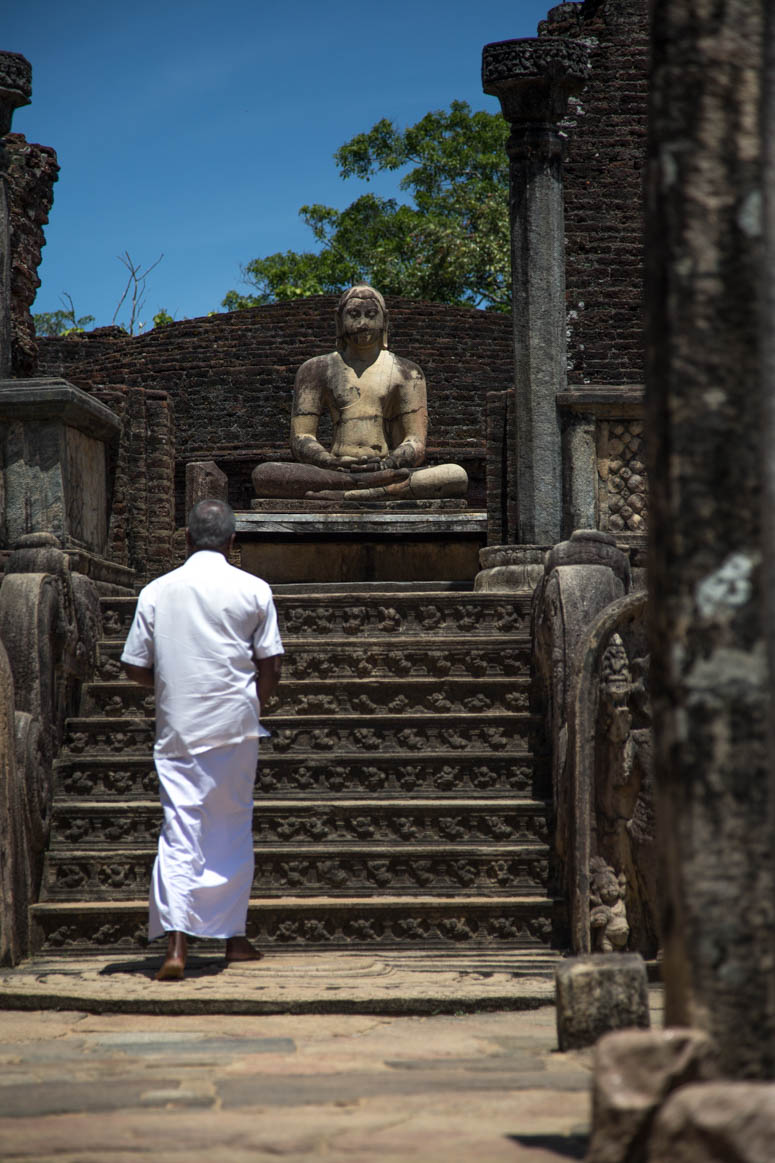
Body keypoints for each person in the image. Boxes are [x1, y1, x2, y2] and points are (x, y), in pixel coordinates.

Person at [121, 499, 283, 981]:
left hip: (179, 725)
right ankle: (233, 939)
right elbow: (270, 666)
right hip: (235, 724)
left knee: (180, 828)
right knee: (231, 824)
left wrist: (175, 683)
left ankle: (176, 944)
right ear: (234, 542)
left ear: (186, 540)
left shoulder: (157, 590)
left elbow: (133, 664)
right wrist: (251, 701)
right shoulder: (254, 588)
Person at [251, 284, 468, 502]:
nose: (362, 323)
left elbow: (415, 442)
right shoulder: (315, 369)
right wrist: (329, 461)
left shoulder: (407, 372)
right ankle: (365, 489)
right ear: (338, 320)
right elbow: (301, 437)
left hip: (385, 468)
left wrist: (388, 463)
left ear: (385, 320)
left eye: (371, 315)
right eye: (353, 315)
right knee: (265, 474)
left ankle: (356, 492)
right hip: (335, 469)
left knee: (455, 475)